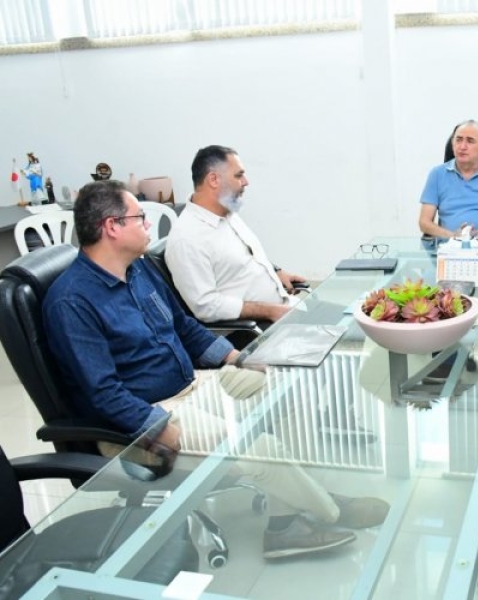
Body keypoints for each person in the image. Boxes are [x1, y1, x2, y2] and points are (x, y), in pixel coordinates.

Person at [43, 180, 388, 559]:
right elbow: (102, 392)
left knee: (289, 389)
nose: (147, 224)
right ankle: (329, 510)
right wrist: (155, 425)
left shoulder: (138, 270)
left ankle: (288, 520)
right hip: (146, 419)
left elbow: (183, 325)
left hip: (191, 386)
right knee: (260, 447)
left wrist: (236, 358)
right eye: (139, 217)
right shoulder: (71, 301)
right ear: (112, 227)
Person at [166, 145, 307, 325]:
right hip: (261, 328)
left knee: (343, 317)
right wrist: (269, 311)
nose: (246, 182)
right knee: (340, 329)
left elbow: (242, 257)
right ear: (214, 180)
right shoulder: (187, 239)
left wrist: (276, 271)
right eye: (239, 175)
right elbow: (206, 306)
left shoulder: (226, 212)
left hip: (286, 308)